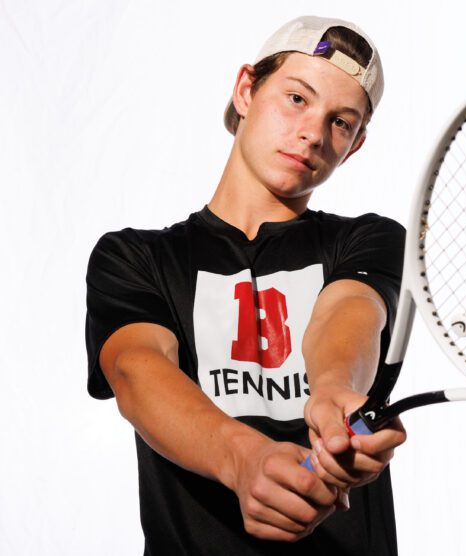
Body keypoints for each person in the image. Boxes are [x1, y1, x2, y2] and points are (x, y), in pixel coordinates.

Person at [85, 15, 406, 555]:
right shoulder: (135, 256)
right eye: (297, 98)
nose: (312, 133)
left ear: (355, 145)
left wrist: (331, 390)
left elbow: (349, 314)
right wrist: (243, 459)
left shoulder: (369, 240)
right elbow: (136, 372)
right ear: (245, 89)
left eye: (341, 122)